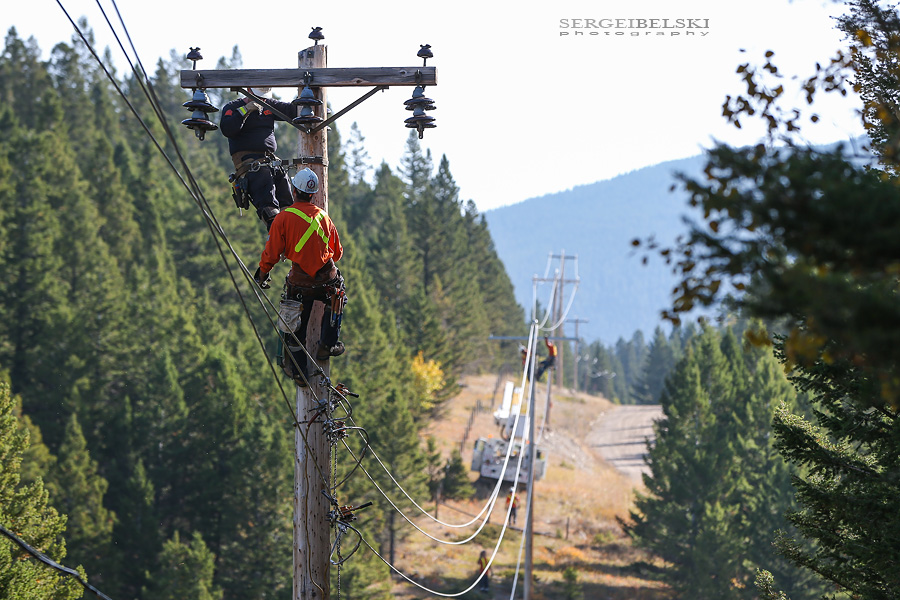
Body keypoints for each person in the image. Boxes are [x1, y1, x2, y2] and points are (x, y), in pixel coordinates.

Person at [253, 168, 346, 386]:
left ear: (295, 191)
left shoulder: (284, 218)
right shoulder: (324, 217)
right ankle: (327, 345)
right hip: (326, 278)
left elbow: (272, 253)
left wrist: (262, 273)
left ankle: (299, 372)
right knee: (336, 301)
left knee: (294, 328)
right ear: (312, 194)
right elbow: (338, 253)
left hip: (300, 282)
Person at [220, 87, 298, 230]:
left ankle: (290, 231)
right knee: (267, 199)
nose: (262, 100)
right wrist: (246, 110)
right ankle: (276, 233)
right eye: (258, 97)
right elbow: (227, 129)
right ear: (248, 91)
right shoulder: (233, 107)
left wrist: (308, 103)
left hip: (270, 161)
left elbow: (291, 111)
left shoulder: (267, 105)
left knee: (286, 195)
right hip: (250, 163)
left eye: (263, 97)